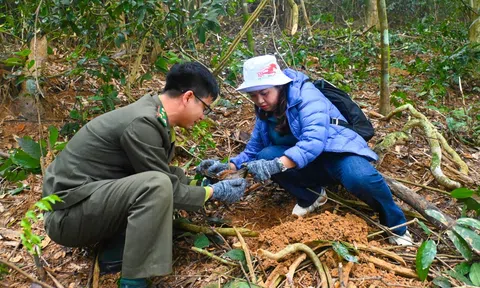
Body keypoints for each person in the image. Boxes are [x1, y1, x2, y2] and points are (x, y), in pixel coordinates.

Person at [42, 62, 247, 288]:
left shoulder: (154, 114)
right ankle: (133, 282)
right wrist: (213, 192)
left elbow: (163, 172)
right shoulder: (143, 122)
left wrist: (202, 180)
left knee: (170, 175)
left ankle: (115, 255)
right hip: (66, 218)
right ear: (188, 97)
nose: (203, 116)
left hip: (85, 205)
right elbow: (162, 185)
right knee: (156, 186)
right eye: (205, 108)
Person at [197, 55, 412, 246]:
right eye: (253, 96)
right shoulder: (265, 110)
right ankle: (312, 196)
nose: (259, 101)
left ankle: (396, 226)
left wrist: (278, 164)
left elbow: (313, 141)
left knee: (361, 177)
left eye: (264, 93)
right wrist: (229, 166)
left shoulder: (306, 96)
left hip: (337, 155)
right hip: (307, 163)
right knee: (265, 155)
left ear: (279, 86)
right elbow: (255, 148)